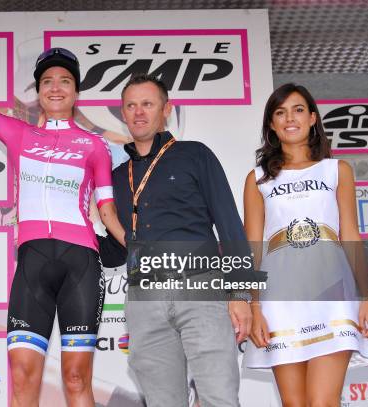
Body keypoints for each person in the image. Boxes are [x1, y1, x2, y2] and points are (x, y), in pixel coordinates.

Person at [0, 6, 126, 407]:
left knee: (75, 379)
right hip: (32, 262)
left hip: (82, 264)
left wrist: (138, 248)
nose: (56, 87)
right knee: (21, 377)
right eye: (48, 81)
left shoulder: (94, 146)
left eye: (65, 81)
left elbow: (106, 211)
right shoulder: (16, 133)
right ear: (38, 91)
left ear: (75, 91)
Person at [111, 73, 251, 407]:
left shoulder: (194, 154)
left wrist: (241, 293)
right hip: (144, 295)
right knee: (163, 402)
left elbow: (229, 223)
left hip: (200, 287)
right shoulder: (116, 175)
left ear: (166, 110)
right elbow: (116, 251)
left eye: (147, 104)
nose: (139, 112)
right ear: (123, 113)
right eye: (131, 105)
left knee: (219, 397)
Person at [243, 83, 368, 405]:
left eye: (298, 109)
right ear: (272, 125)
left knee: (322, 402)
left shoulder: (337, 170)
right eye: (280, 112)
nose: (290, 118)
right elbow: (251, 248)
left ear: (313, 118)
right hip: (279, 301)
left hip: (333, 293)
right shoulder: (258, 179)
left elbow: (350, 234)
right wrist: (254, 306)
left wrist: (366, 298)